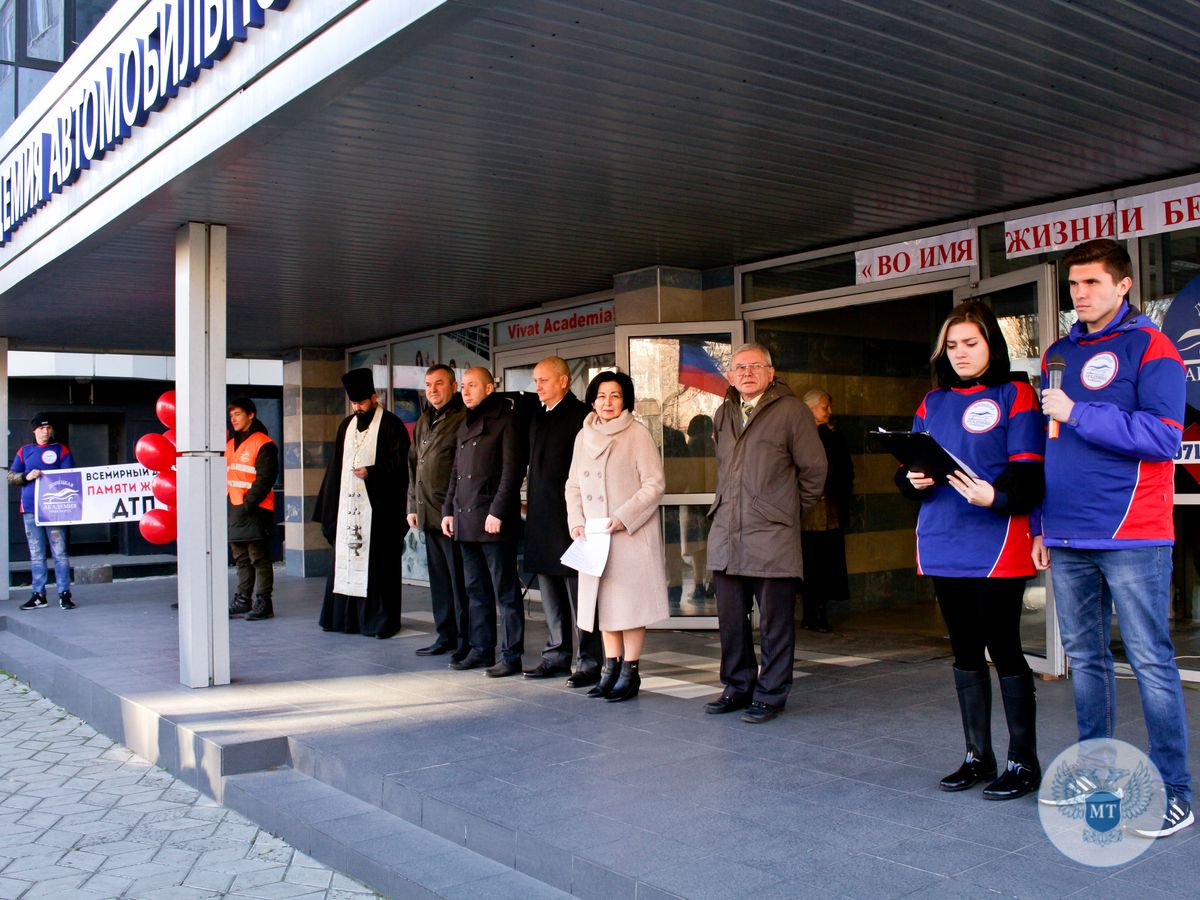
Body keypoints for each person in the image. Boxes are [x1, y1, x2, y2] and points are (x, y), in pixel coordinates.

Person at [1036, 238, 1194, 837]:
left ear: (1123, 285)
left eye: (1093, 283)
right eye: (1074, 285)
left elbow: (1162, 438)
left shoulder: (1151, 348)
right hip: (1069, 534)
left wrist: (1078, 411)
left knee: (1151, 662)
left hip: (1132, 533)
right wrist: (1041, 524)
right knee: (1088, 662)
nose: (1081, 294)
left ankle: (1174, 791)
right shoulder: (1057, 352)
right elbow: (1049, 443)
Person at [896, 301, 1044, 800]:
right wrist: (911, 479)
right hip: (942, 536)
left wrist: (996, 496)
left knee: (1003, 647)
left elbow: (1029, 472)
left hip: (995, 538)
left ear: (991, 346)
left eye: (971, 343)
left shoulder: (1016, 394)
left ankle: (1023, 762)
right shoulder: (931, 401)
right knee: (963, 649)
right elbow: (912, 465)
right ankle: (976, 756)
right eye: (953, 345)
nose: (960, 353)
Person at [704, 344, 826, 724]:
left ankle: (771, 693)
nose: (747, 372)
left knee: (774, 622)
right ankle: (738, 687)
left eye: (756, 366)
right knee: (730, 619)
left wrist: (785, 512)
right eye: (739, 367)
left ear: (771, 373)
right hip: (728, 532)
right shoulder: (723, 413)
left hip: (772, 535)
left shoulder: (791, 411)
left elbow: (814, 472)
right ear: (730, 375)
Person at [565, 371, 667, 701]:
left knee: (630, 607)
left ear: (626, 400)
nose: (608, 402)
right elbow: (574, 484)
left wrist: (624, 516)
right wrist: (577, 521)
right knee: (604, 605)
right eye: (602, 395)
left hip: (629, 535)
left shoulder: (637, 434)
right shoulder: (583, 436)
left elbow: (654, 484)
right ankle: (610, 668)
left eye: (616, 396)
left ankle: (631, 671)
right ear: (592, 400)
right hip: (594, 536)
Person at [313, 369, 411, 639]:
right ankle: (345, 620)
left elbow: (401, 467)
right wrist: (330, 510)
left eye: (362, 403)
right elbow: (335, 468)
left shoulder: (392, 425)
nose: (357, 408)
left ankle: (378, 622)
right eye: (353, 404)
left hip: (379, 513)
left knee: (377, 569)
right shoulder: (346, 426)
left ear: (374, 397)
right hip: (348, 509)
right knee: (345, 564)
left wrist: (373, 472)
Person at [441, 367, 526, 677]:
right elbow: (455, 473)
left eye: (472, 385)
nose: (465, 391)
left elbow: (512, 471)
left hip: (492, 521)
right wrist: (448, 510)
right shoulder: (466, 422)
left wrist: (498, 511)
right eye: (463, 386)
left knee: (505, 592)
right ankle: (481, 649)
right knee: (475, 590)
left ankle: (511, 655)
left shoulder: (506, 419)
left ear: (489, 388)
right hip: (465, 519)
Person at [522, 357, 601, 686]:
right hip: (541, 516)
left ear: (564, 381)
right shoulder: (539, 415)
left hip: (571, 519)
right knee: (550, 591)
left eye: (544, 380)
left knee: (579, 593)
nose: (538, 386)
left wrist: (580, 516)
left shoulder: (582, 416)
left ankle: (590, 661)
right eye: (536, 380)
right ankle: (556, 655)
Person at [407, 365, 470, 659]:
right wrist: (411, 505)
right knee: (441, 582)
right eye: (429, 384)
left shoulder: (462, 417)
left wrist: (454, 509)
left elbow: (463, 469)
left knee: (460, 582)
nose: (433, 390)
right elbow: (413, 466)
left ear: (454, 386)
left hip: (451, 515)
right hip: (427, 513)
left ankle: (464, 639)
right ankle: (445, 635)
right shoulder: (423, 421)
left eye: (439, 384)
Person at [800, 389, 854, 633]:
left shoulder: (833, 434)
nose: (829, 412)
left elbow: (844, 471)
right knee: (810, 564)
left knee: (826, 564)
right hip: (807, 513)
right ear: (810, 409)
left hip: (829, 510)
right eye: (824, 407)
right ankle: (810, 614)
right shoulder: (799, 434)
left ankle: (819, 613)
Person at [9, 415, 76, 610]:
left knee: (60, 553)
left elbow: (70, 476)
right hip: (30, 509)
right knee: (37, 554)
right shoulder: (25, 451)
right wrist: (26, 476)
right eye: (41, 428)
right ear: (34, 431)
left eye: (48, 428)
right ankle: (39, 595)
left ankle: (64, 594)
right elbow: (11, 476)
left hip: (55, 509)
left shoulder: (61, 450)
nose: (45, 431)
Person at [226, 397, 279, 621]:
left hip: (255, 509)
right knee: (241, 558)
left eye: (237, 414)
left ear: (251, 414)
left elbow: (265, 479)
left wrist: (247, 504)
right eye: (231, 416)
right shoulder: (230, 445)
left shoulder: (263, 443)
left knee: (258, 557)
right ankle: (242, 600)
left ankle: (263, 601)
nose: (233, 419)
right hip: (234, 508)